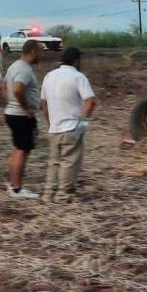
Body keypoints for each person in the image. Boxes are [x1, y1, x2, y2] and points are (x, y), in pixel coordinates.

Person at [40, 48, 96, 203]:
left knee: (54, 162)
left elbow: (43, 103)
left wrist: (50, 122)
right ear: (76, 61)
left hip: (54, 128)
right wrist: (82, 123)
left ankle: (48, 193)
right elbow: (90, 101)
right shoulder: (78, 77)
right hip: (71, 126)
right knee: (69, 162)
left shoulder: (49, 76)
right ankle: (64, 195)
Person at [3, 39, 43, 199]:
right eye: (40, 51)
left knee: (17, 149)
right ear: (32, 51)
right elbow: (18, 89)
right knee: (22, 151)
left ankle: (14, 185)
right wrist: (25, 108)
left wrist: (9, 102)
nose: (42, 55)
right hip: (21, 116)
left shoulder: (14, 65)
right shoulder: (24, 69)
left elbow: (3, 85)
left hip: (13, 113)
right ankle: (17, 189)